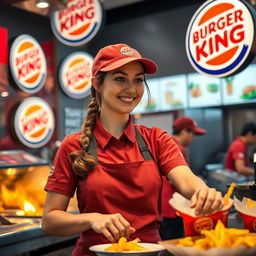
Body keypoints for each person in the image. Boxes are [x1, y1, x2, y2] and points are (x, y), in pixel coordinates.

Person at [42, 43, 223, 256]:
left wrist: (203, 192)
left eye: (138, 80)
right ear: (97, 84)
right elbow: (50, 220)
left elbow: (185, 179)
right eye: (120, 79)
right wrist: (92, 218)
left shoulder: (156, 139)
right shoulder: (73, 145)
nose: (131, 89)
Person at [160, 116, 206, 240]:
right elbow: (178, 180)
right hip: (171, 208)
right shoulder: (176, 147)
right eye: (193, 134)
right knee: (172, 247)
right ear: (185, 132)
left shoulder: (165, 144)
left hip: (162, 207)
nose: (193, 138)